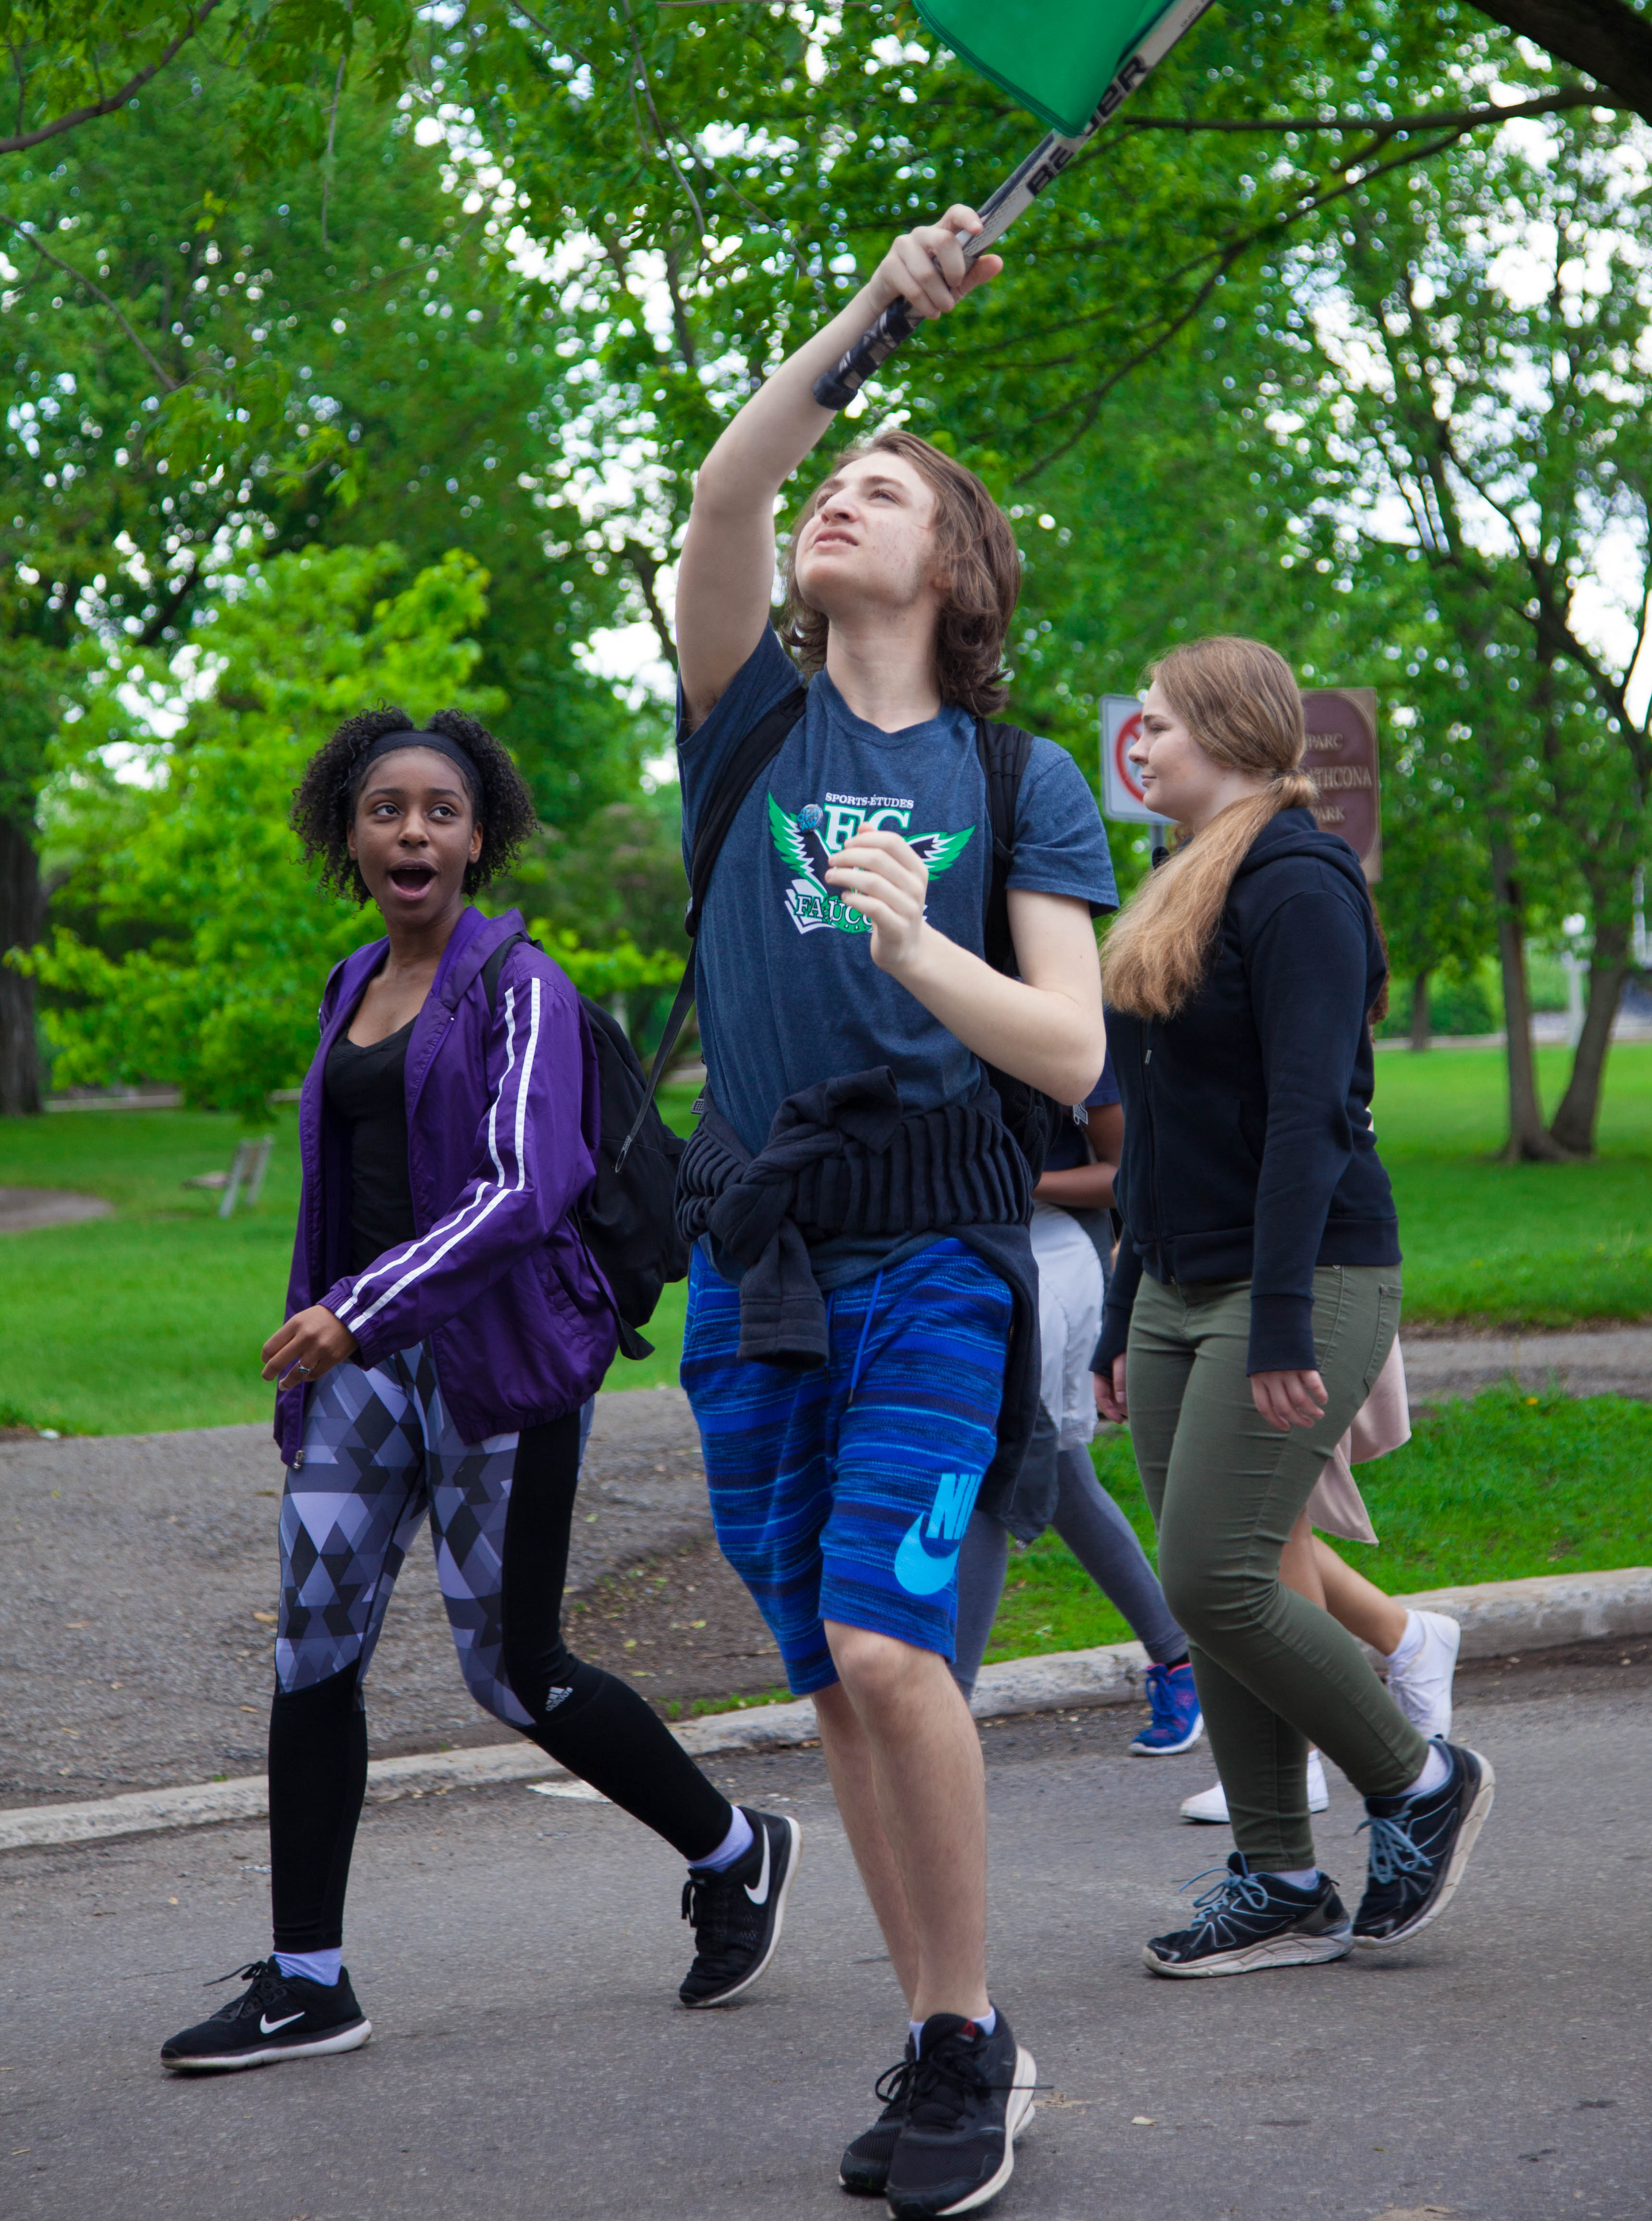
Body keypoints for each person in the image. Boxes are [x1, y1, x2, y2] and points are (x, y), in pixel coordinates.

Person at [673, 207, 1115, 2216]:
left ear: (959, 567)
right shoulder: (747, 721)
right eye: (835, 484)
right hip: (757, 1260)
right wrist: (873, 312)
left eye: (886, 489)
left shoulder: (1019, 777)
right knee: (831, 1673)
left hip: (942, 1252)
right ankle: (958, 2025)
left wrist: (922, 949)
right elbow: (726, 490)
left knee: (886, 1629)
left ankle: (959, 2047)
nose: (838, 499)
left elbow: (1071, 1049)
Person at [161, 707, 797, 2076]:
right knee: (311, 1654)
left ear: (479, 837)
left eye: (440, 811)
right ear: (347, 833)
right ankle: (308, 1979)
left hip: (500, 1368)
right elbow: (339, 1192)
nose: (413, 831)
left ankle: (734, 1850)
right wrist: (333, 1335)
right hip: (360, 1373)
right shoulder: (350, 982)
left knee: (515, 1672)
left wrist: (359, 1310)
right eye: (385, 809)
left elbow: (522, 1190)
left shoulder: (524, 987)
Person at [1089, 638, 1494, 1980]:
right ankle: (1276, 1876)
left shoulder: (1301, 882)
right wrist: (1120, 1310)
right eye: (1138, 723)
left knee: (1211, 1573)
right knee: (1227, 1586)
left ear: (1227, 730)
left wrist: (1274, 1323)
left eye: (1159, 722)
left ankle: (1416, 1781)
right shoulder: (1181, 876)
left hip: (1304, 1277)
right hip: (1175, 1281)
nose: (1139, 742)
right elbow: (1156, 1128)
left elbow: (1309, 1118)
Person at [951, 1063, 1200, 1755]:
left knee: (999, 1464)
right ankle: (1181, 1660)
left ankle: (945, 1709)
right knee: (1055, 1470)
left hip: (1053, 1243)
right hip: (960, 1247)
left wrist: (1020, 1182)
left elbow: (1126, 1174)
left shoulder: (1071, 1032)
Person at [1173, 1344, 1460, 1822]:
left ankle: (1298, 1761)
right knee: (1226, 1520)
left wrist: (1280, 1333)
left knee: (1267, 1507)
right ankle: (1405, 1635)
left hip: (1272, 1319)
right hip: (1195, 1309)